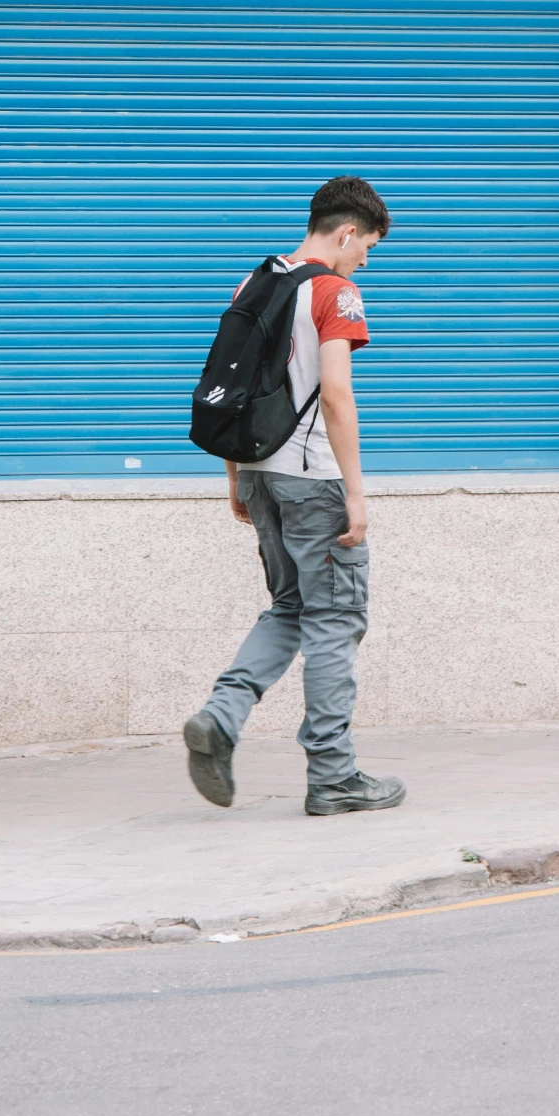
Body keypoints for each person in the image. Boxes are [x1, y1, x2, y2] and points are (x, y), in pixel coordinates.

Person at [183, 175, 406, 817]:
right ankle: (334, 777)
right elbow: (336, 394)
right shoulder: (337, 292)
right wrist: (356, 496)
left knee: (289, 605)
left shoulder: (256, 281)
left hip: (259, 472)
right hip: (313, 481)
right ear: (345, 233)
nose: (367, 258)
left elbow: (232, 382)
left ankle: (221, 718)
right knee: (334, 620)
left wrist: (235, 477)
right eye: (367, 245)